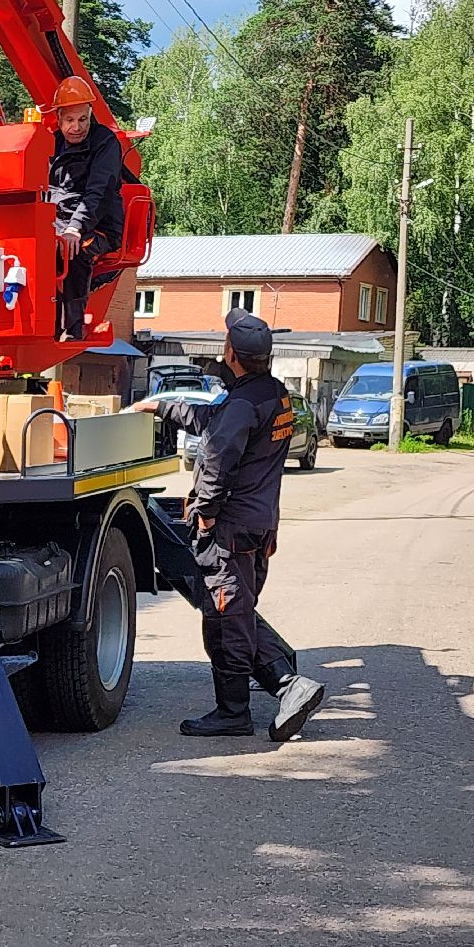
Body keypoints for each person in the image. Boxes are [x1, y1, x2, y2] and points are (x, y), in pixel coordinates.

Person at [130, 309, 326, 740]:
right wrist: (164, 407)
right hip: (260, 526)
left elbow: (217, 459)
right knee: (235, 612)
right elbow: (219, 424)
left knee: (226, 615)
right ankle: (284, 682)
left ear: (231, 353)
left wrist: (204, 511)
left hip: (231, 528)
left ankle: (246, 705)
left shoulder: (241, 403)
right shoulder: (274, 395)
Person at [47, 76, 129, 341]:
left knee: (75, 251)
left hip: (99, 225)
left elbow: (98, 192)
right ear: (59, 119)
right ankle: (42, 321)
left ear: (90, 116)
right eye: (70, 120)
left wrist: (75, 227)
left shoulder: (104, 142)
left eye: (82, 119)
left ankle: (72, 328)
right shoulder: (51, 143)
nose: (76, 127)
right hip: (57, 221)